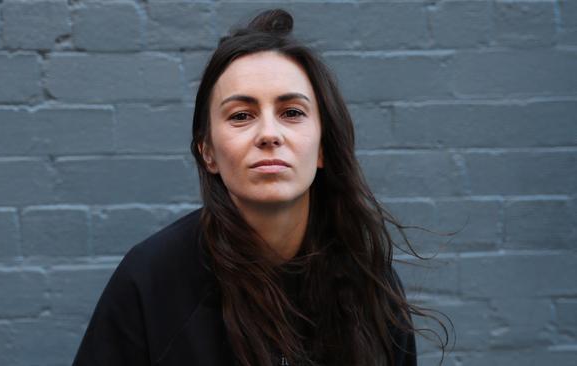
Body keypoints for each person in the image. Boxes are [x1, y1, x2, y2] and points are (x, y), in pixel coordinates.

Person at [73, 9, 446, 366]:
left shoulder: (370, 285)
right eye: (241, 116)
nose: (269, 134)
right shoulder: (152, 282)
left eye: (292, 113)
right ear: (208, 153)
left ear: (322, 148)